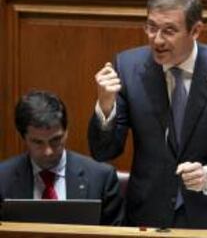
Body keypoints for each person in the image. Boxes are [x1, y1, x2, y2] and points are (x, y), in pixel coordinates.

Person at [88, 0, 207, 229]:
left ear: (196, 30)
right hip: (149, 216)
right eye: (151, 27)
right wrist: (106, 106)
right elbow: (104, 151)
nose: (157, 40)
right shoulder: (127, 66)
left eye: (169, 30)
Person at [0, 90, 124, 225]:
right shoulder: (3, 179)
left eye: (55, 140)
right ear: (23, 138)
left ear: (66, 132)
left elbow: (115, 233)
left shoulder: (101, 178)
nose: (48, 151)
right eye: (38, 142)